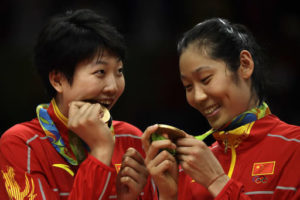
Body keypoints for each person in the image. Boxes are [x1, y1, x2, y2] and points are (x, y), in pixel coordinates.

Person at [0, 9, 157, 200]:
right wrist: (100, 152)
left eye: (119, 71)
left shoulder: (131, 138)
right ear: (58, 80)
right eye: (100, 72)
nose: (113, 87)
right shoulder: (22, 144)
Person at [142, 18, 300, 199]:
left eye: (205, 79)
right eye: (188, 87)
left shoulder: (294, 147)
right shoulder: (192, 167)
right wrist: (168, 195)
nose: (197, 97)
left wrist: (216, 181)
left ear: (245, 65)